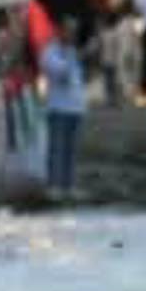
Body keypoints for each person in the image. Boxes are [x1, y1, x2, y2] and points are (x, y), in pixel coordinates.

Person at [39, 27, 86, 196]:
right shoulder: (50, 52)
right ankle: (53, 185)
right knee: (56, 149)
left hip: (75, 108)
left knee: (71, 150)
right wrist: (81, 56)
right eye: (68, 30)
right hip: (58, 108)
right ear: (59, 31)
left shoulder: (72, 51)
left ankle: (69, 185)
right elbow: (60, 73)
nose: (72, 34)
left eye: (73, 31)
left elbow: (78, 78)